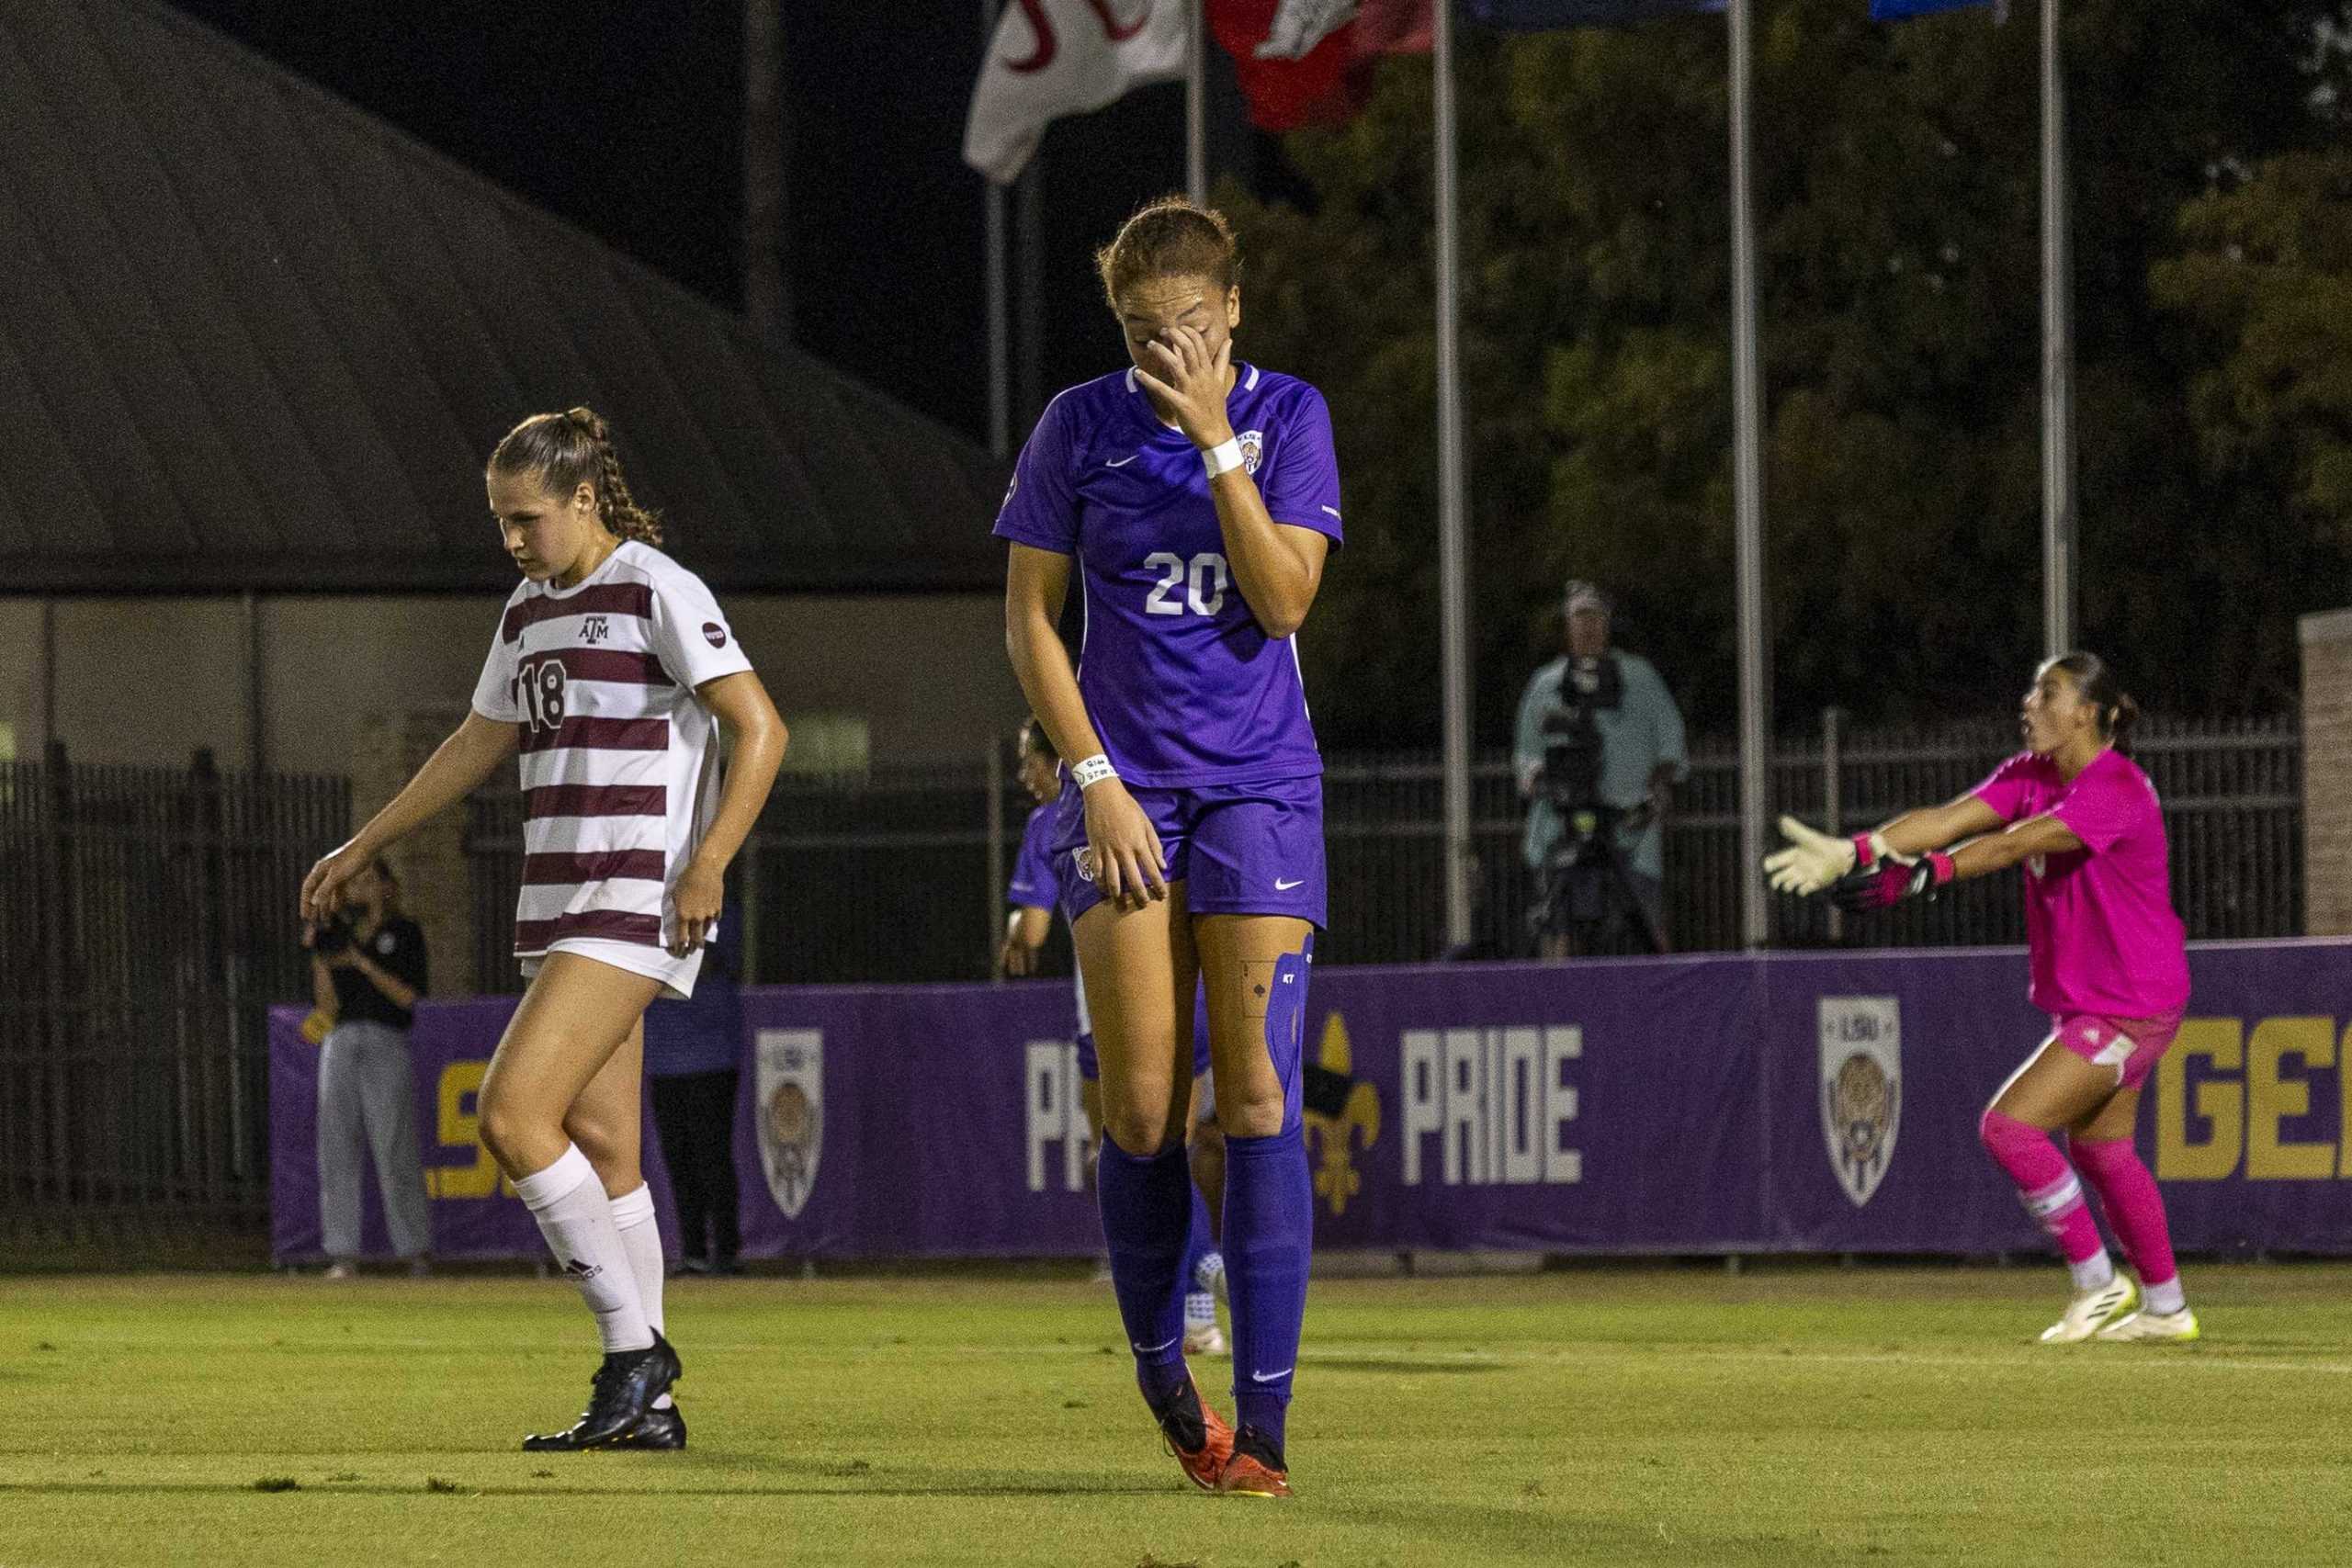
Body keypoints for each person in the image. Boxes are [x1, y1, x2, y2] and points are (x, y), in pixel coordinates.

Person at [300, 407, 787, 1452]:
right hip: (557, 907)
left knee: (514, 1118)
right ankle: (648, 1410)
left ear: (582, 499)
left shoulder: (656, 586)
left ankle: (631, 1351)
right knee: (608, 1150)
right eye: (499, 522)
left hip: (634, 899)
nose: (514, 539)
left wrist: (707, 861)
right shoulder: (526, 611)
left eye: (527, 518)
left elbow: (762, 727)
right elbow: (477, 741)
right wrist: (359, 845)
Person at [997, 197, 1339, 1498]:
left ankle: (1265, 1426)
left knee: (1255, 1098)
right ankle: (1159, 1367)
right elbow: (1030, 621)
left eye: (1191, 326)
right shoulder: (1076, 427)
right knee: (1143, 1107)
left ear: (1233, 310)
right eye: (1146, 332)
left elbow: (1287, 595)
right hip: (1125, 793)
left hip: (1261, 783)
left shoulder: (1289, 415)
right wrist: (1093, 779)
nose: (1170, 350)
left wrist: (1216, 447)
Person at [1765, 652, 2197, 1345]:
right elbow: (1945, 819)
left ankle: (2097, 1282)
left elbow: (2017, 842)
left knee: (2010, 1127)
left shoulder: (2116, 784)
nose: (2028, 702)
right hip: (2110, 998)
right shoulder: (2030, 772)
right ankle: (2168, 1307)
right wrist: (1856, 851)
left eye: (2046, 692)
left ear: (2086, 712)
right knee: (2103, 1152)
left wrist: (1923, 877)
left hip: (2127, 1004)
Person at [1002, 717, 1227, 1355]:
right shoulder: (1146, 800)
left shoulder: (1058, 819)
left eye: (1031, 758)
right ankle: (1201, 1310)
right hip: (1195, 995)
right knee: (1177, 1151)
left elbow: (1038, 931)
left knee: (1128, 1157)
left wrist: (1017, 925)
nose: (1026, 774)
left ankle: (1200, 1266)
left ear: (1061, 756)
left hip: (1110, 1015)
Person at [1512, 581, 1687, 956]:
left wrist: (1656, 791)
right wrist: (1547, 780)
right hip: (1563, 832)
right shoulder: (1547, 685)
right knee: (1556, 930)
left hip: (1629, 833)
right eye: (1579, 619)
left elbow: (1673, 746)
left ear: (1607, 625)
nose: (1587, 628)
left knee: (1646, 922)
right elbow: (1526, 758)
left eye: (1595, 619)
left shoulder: (1639, 678)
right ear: (1567, 626)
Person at [304, 856, 431, 1279]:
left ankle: (414, 1250)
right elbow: (327, 1006)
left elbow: (407, 998)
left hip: (385, 1040)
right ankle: (342, 1253)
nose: (359, 889)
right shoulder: (339, 934)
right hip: (341, 1040)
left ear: (387, 887)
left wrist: (362, 962)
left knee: (393, 1142)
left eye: (367, 880)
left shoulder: (404, 933)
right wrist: (321, 958)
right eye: (353, 882)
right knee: (336, 1144)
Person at [645, 914, 747, 1278]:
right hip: (663, 1057)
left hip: (712, 1055)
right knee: (679, 1161)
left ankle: (727, 1251)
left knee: (712, 1157)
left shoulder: (715, 906)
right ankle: (693, 1252)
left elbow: (710, 961)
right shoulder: (644, 907)